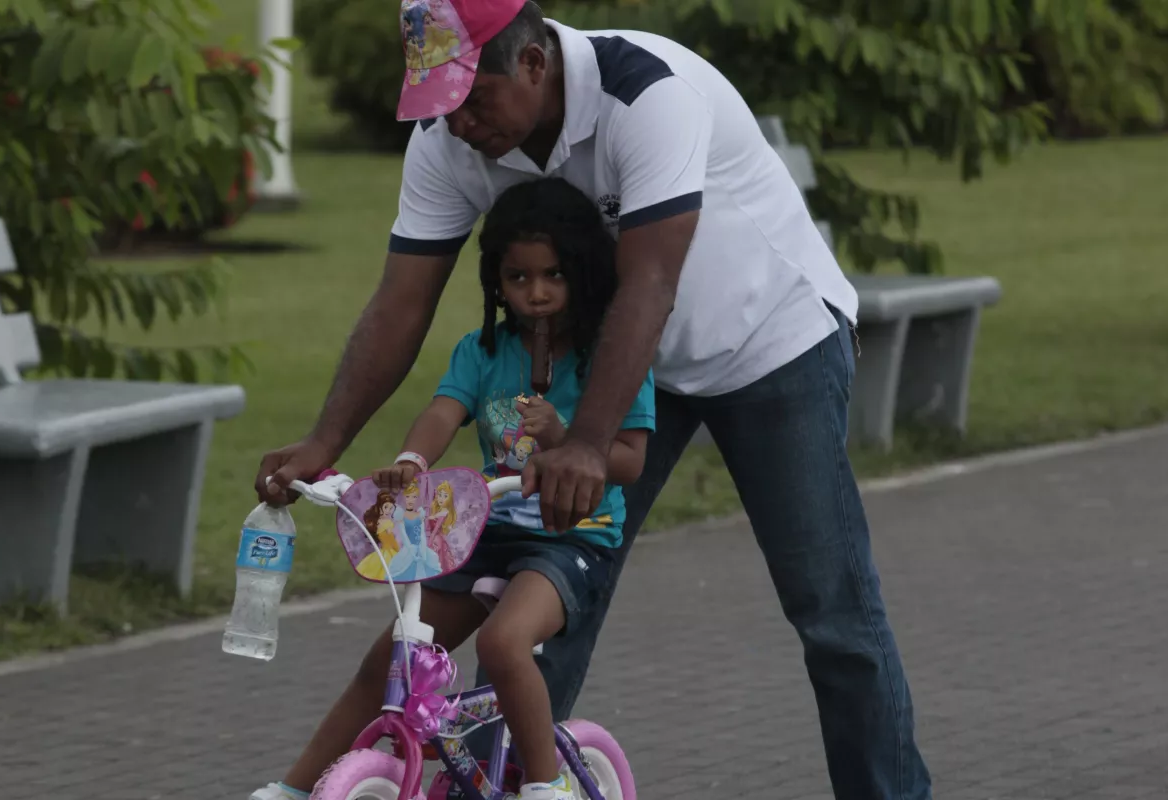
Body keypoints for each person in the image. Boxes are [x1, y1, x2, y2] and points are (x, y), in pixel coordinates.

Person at [254, 1, 932, 797]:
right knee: (541, 603)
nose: (459, 125)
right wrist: (325, 441)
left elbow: (650, 284)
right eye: (440, 104)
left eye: (473, 99)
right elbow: (403, 302)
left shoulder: (647, 94)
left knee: (832, 614)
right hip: (624, 369)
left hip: (769, 343)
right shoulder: (448, 142)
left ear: (536, 63)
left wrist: (584, 443)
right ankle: (521, 787)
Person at [253, 177, 655, 800]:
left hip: (572, 538)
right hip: (482, 532)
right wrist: (412, 462)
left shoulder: (610, 357)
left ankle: (546, 786)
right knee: (393, 657)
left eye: (554, 275)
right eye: (518, 279)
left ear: (582, 273)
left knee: (503, 642)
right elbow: (444, 410)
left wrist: (571, 440)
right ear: (497, 281)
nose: (538, 293)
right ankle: (297, 788)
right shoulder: (484, 350)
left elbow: (630, 459)